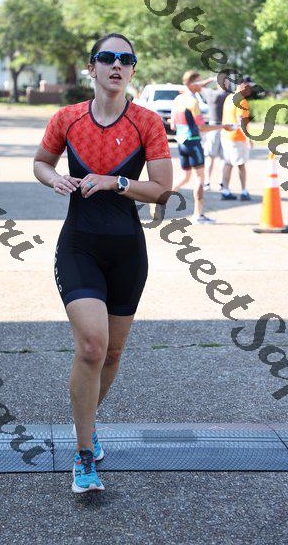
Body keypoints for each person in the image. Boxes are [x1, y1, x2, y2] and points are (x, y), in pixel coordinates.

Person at [33, 33, 173, 494]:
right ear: (91, 67)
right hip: (79, 246)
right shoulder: (67, 118)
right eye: (107, 58)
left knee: (112, 353)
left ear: (133, 70)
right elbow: (40, 162)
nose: (117, 65)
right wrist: (54, 178)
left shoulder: (147, 122)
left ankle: (86, 425)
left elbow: (162, 190)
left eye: (125, 59)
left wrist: (115, 182)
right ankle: (84, 455)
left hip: (127, 250)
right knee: (92, 346)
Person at [170, 71, 231, 224]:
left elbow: (172, 125)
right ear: (192, 84)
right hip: (193, 142)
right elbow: (202, 127)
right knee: (199, 179)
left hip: (181, 142)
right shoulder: (193, 102)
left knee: (185, 177)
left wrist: (209, 80)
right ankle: (198, 215)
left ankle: (161, 199)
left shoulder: (178, 99)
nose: (201, 84)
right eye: (199, 82)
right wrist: (223, 126)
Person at [220, 76, 254, 201]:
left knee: (228, 163)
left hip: (226, 136)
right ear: (242, 85)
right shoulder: (242, 101)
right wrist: (248, 138)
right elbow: (241, 122)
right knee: (241, 164)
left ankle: (225, 190)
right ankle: (244, 191)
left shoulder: (229, 97)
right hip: (237, 138)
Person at [200, 81, 229, 191]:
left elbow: (200, 86)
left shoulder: (211, 93)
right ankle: (219, 183)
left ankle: (208, 182)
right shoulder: (228, 95)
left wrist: (210, 79)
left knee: (211, 157)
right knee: (222, 157)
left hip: (215, 127)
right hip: (224, 127)